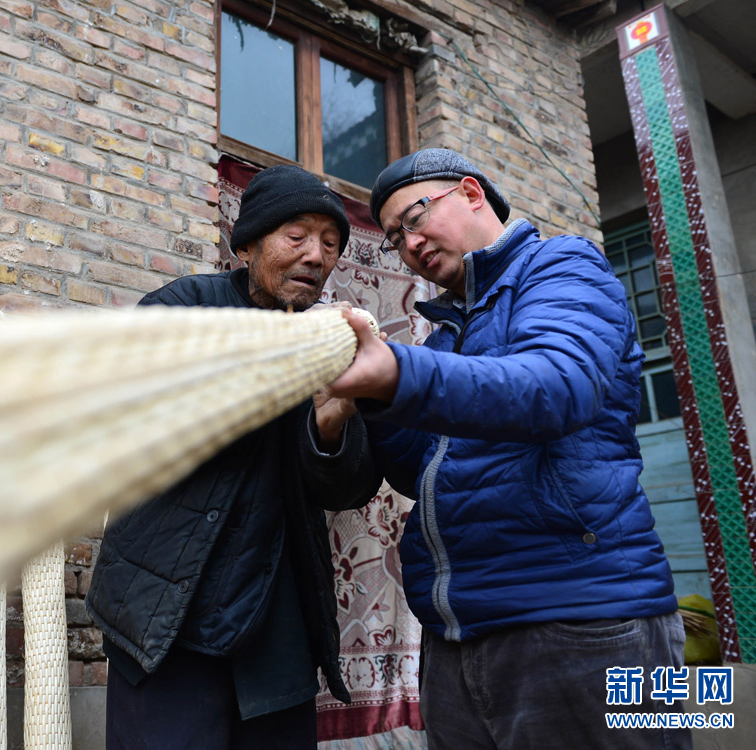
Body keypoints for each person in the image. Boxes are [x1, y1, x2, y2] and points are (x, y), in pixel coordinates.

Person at [325, 148, 690, 749]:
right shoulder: (444, 337)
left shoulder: (563, 266)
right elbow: (419, 473)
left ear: (472, 193)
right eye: (394, 237)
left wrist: (398, 374)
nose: (409, 244)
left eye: (415, 217)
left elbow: (557, 387)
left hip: (587, 622)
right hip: (459, 634)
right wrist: (369, 397)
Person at [86, 164, 383, 749]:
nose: (316, 256)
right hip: (168, 620)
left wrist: (330, 426)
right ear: (246, 245)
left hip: (277, 634)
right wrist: (281, 360)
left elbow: (350, 490)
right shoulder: (185, 306)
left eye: (330, 244)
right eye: (296, 237)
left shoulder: (336, 347)